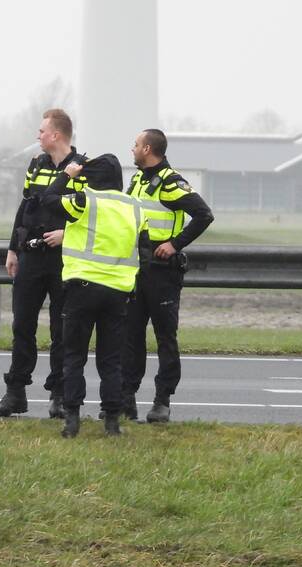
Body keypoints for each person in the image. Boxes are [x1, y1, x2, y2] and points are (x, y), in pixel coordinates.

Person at [35, 153, 150, 438]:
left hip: (82, 289)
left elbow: (47, 199)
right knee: (111, 360)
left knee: (74, 355)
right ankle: (112, 422)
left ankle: (72, 419)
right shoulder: (136, 207)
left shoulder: (86, 201)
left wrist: (68, 175)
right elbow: (144, 248)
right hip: (118, 292)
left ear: (93, 179)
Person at [0, 109, 88, 419]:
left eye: (42, 131)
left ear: (56, 135)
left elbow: (94, 215)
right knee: (22, 325)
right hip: (31, 256)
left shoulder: (85, 168)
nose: (38, 136)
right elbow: (25, 207)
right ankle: (15, 392)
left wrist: (68, 234)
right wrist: (12, 249)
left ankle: (58, 395)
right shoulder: (36, 165)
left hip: (65, 260)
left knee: (62, 330)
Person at [120, 129, 214, 423]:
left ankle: (162, 401)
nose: (132, 148)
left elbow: (203, 215)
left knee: (165, 338)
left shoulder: (171, 182)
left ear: (147, 149)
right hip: (136, 269)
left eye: (135, 145)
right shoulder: (136, 180)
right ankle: (127, 399)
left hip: (162, 274)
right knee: (130, 337)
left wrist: (175, 244)